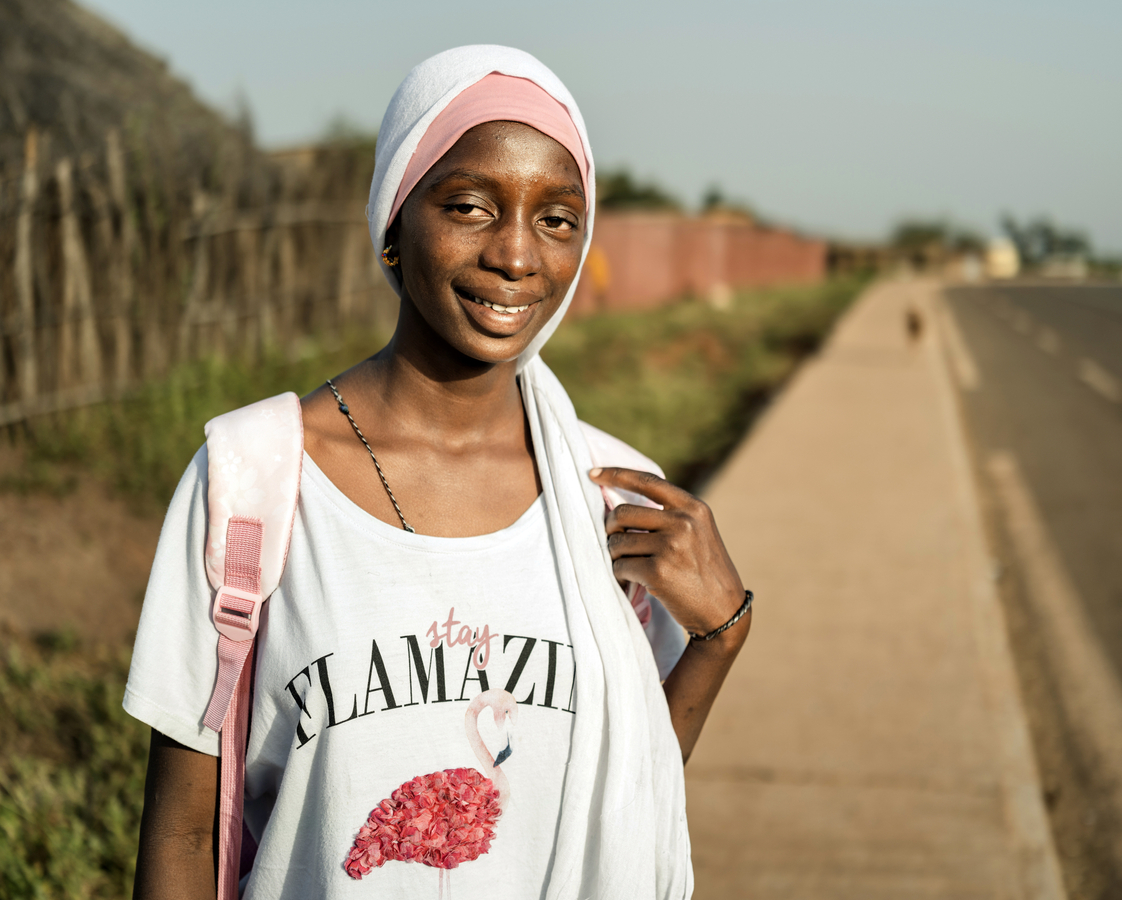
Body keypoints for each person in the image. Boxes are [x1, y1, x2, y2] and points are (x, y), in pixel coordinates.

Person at [124, 45, 749, 899]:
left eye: (557, 219)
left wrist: (717, 640)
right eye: (469, 206)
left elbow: (618, 795)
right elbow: (187, 835)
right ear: (394, 220)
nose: (517, 256)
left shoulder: (608, 493)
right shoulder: (253, 480)